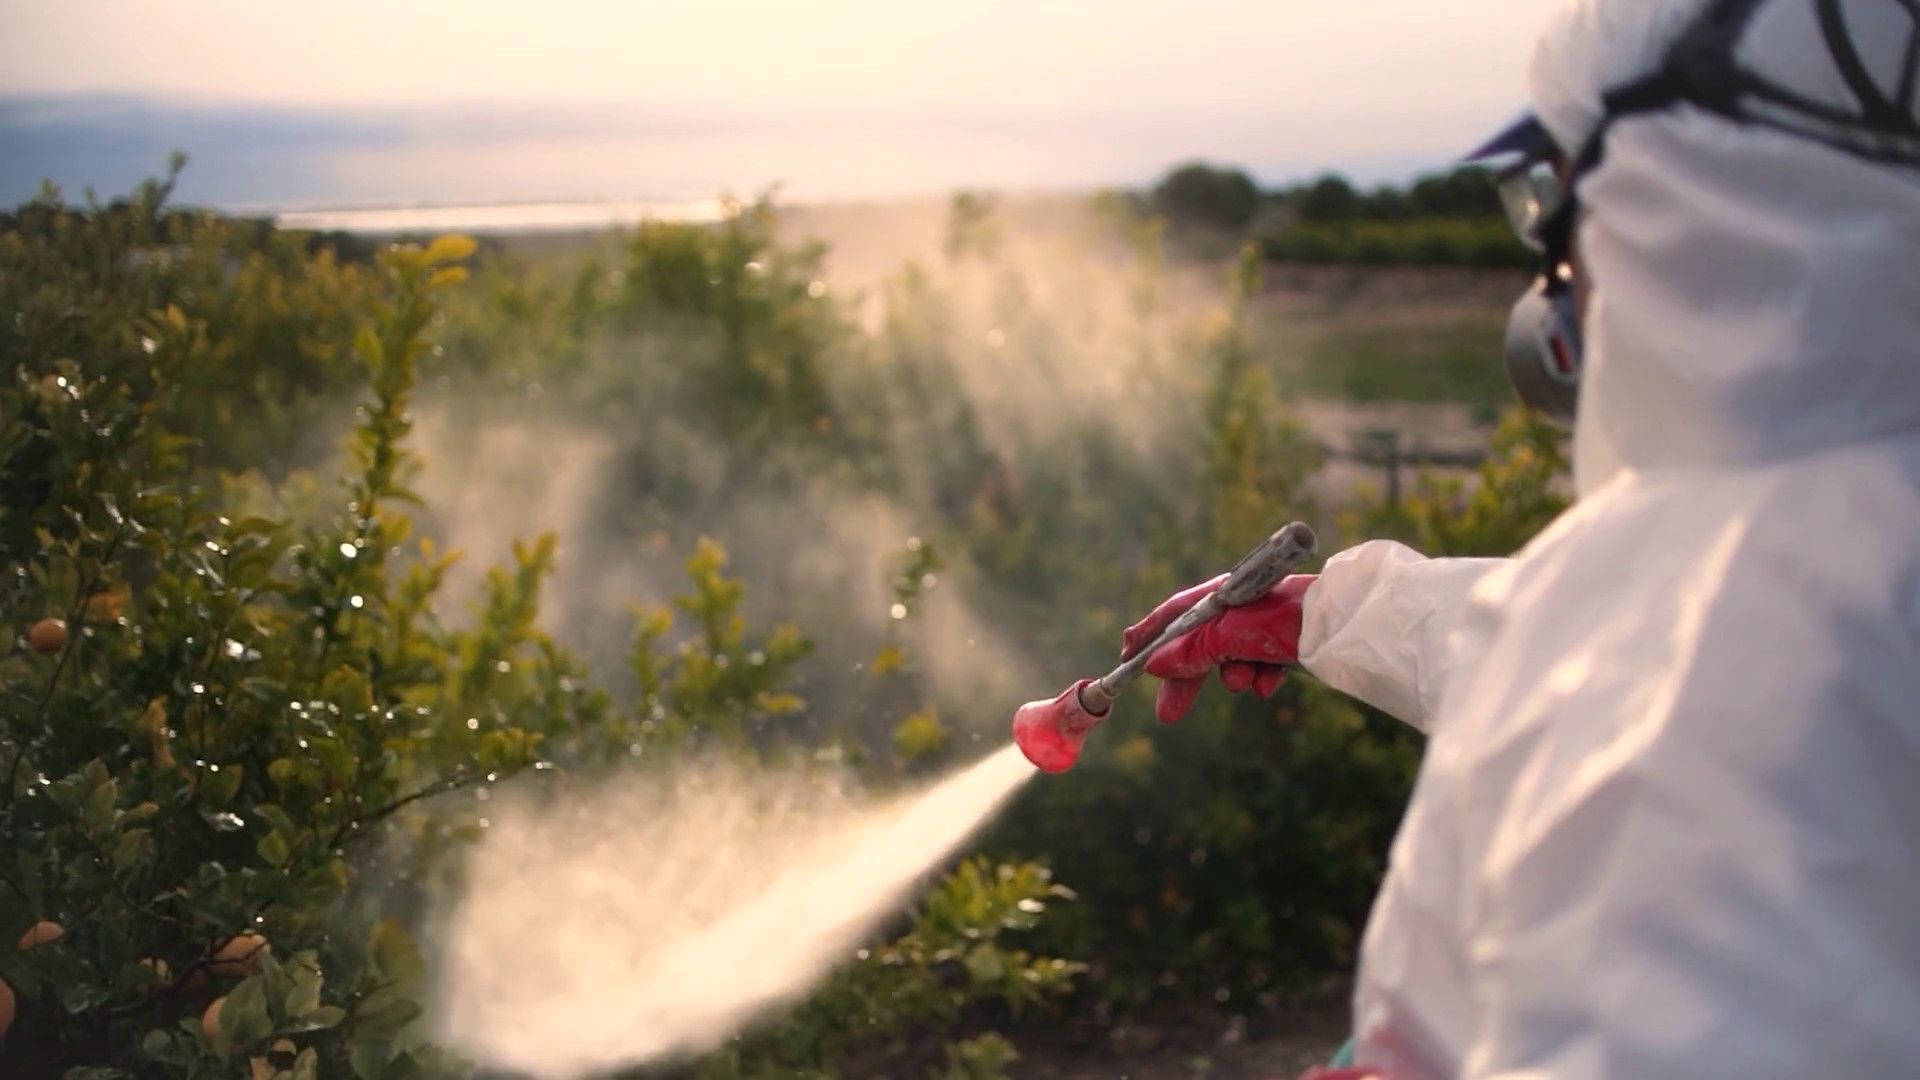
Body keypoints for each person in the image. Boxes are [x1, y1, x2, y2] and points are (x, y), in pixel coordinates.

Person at [1125, 0, 1920, 1075]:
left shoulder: (1746, 655)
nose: (1553, 274)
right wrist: (1333, 613)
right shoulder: (1804, 544)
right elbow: (1622, 649)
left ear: (1675, 202)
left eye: (1547, 198)